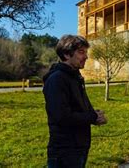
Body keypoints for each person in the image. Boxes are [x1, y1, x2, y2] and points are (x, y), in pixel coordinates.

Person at [43, 35, 107, 168]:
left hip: (78, 149)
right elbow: (62, 117)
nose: (86, 57)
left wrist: (95, 116)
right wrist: (92, 116)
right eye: (81, 52)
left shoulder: (75, 76)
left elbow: (77, 108)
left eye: (86, 52)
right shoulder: (57, 79)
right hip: (65, 152)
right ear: (66, 54)